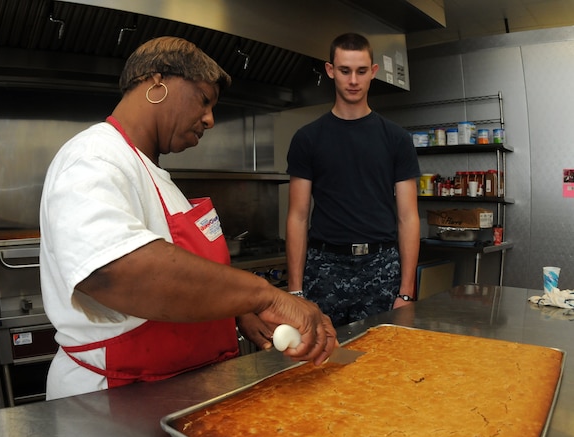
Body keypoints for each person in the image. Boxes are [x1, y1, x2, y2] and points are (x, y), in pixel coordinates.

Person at [39, 36, 336, 400]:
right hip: (117, 398)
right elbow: (111, 270)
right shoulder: (94, 156)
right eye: (204, 100)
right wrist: (263, 297)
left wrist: (233, 310)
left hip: (170, 391)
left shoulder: (155, 176)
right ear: (157, 82)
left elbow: (178, 278)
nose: (210, 119)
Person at [285, 32, 421, 328]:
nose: (353, 80)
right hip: (324, 269)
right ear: (330, 70)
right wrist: (296, 291)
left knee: (382, 364)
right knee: (321, 364)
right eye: (345, 71)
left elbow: (409, 218)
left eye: (361, 71)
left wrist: (407, 293)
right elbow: (297, 217)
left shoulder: (397, 139)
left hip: (381, 268)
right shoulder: (307, 138)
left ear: (373, 72)